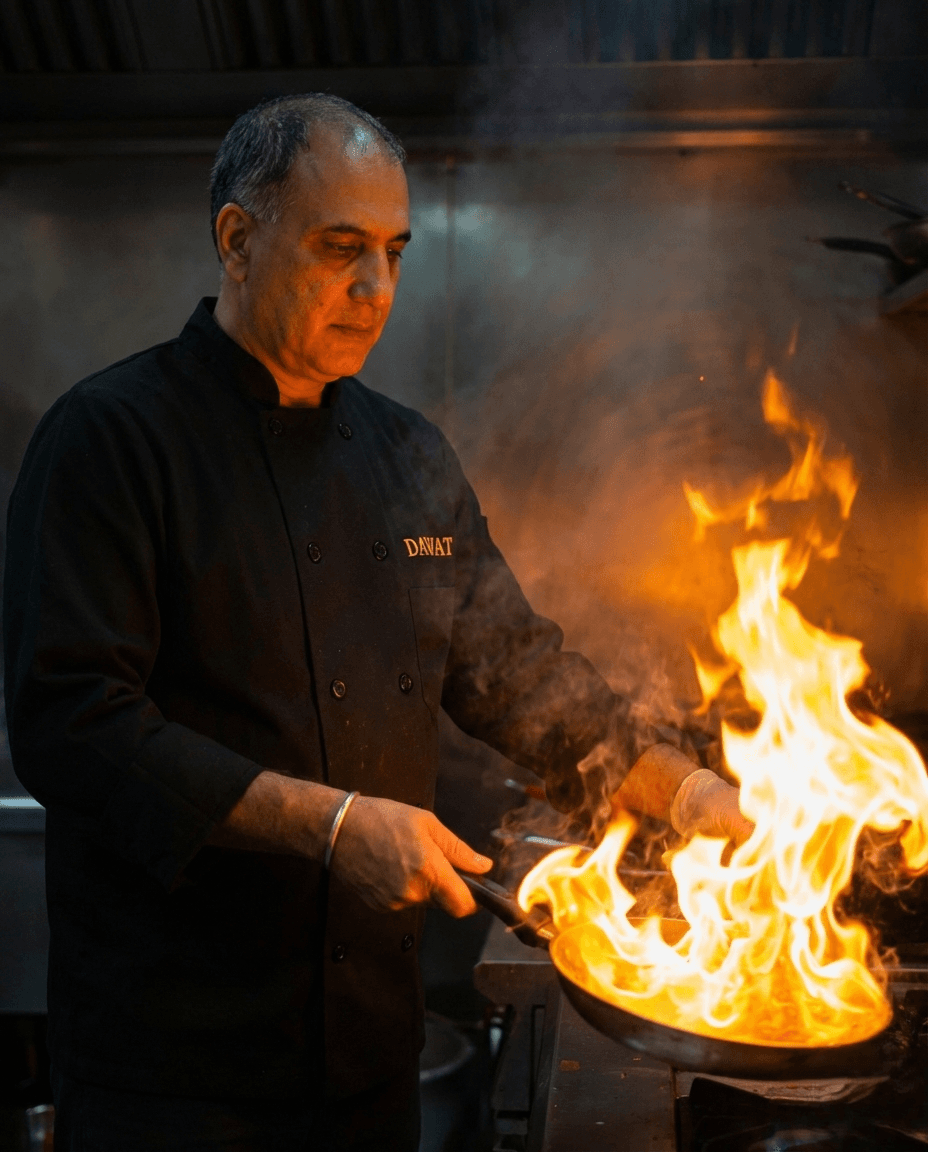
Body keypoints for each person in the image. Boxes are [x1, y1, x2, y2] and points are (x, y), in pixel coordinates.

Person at [3, 95, 750, 1151]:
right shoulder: (111, 441)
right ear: (236, 239)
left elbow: (515, 673)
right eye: (341, 249)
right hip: (171, 1071)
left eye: (395, 252)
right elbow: (71, 726)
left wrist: (685, 789)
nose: (376, 289)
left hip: (365, 1061)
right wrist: (337, 824)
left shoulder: (407, 457)